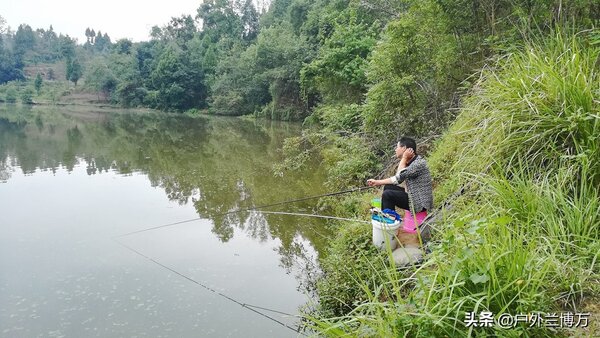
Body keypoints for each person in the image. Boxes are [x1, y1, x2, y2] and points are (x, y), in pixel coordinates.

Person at [367, 137, 433, 214]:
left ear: (404, 148)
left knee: (387, 195)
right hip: (412, 195)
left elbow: (398, 177)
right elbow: (397, 178)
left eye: (397, 147)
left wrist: (404, 157)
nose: (395, 150)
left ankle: (389, 218)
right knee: (388, 187)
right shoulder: (411, 162)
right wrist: (377, 182)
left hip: (420, 203)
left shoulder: (418, 164)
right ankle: (386, 213)